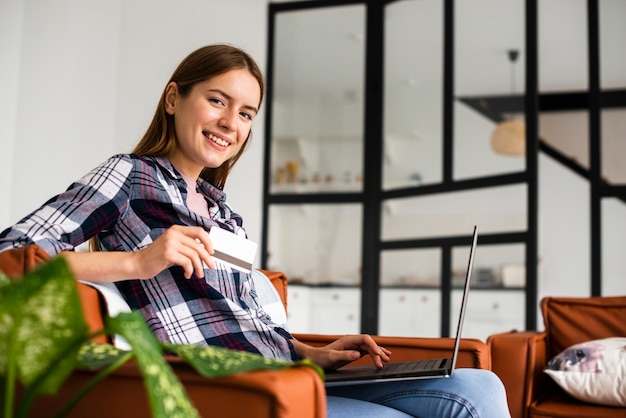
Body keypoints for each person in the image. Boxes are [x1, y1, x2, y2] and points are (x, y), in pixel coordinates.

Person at [0, 44, 510, 417]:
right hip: (227, 387)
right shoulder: (129, 176)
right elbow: (10, 259)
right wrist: (136, 262)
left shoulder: (226, 214)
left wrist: (316, 353)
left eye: (246, 113)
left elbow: (241, 319)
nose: (231, 123)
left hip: (287, 372)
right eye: (217, 101)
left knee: (481, 387)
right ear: (174, 99)